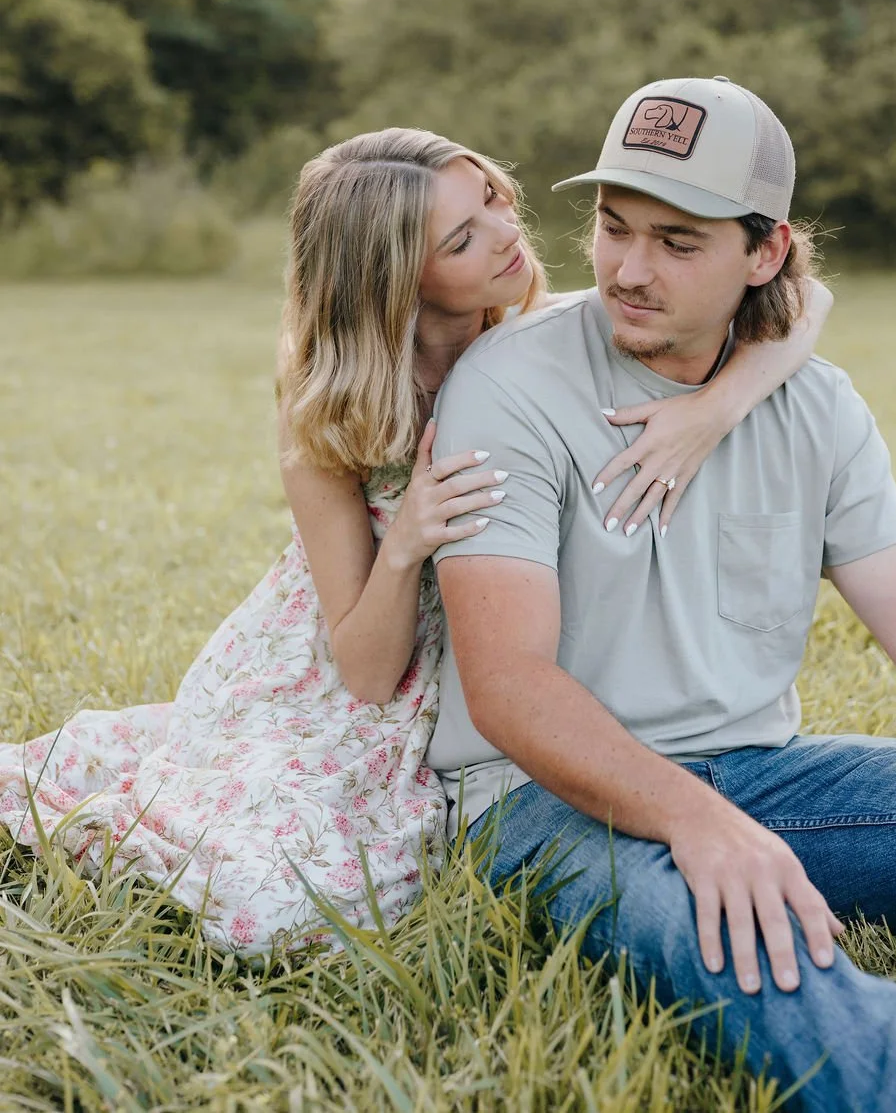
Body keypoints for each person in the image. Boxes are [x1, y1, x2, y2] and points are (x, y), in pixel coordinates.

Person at [0, 127, 831, 955]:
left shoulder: (540, 336)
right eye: (464, 238)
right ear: (396, 279)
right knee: (281, 894)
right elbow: (361, 669)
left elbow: (808, 302)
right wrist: (407, 539)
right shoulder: (330, 402)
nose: (510, 232)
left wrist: (713, 409)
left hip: (505, 656)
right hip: (358, 674)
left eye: (494, 199)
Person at [427, 76, 896, 1112]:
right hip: (537, 804)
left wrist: (722, 810)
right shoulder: (509, 383)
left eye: (678, 241)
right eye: (614, 228)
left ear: (765, 252)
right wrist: (695, 822)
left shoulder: (817, 406)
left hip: (765, 781)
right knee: (724, 922)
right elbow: (509, 686)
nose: (627, 268)